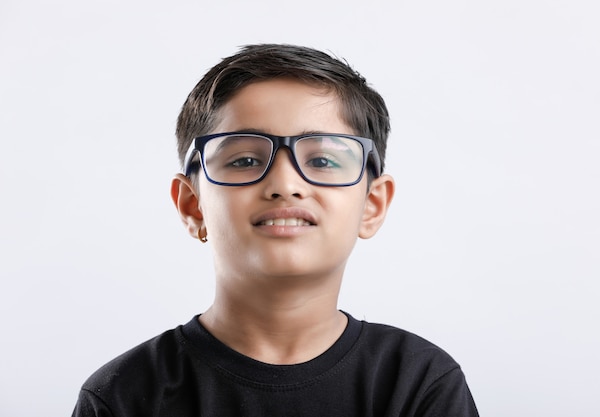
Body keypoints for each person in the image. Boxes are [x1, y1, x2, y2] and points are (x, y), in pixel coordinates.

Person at [72, 43, 479, 416]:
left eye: (322, 161)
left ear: (371, 205)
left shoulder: (419, 383)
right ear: (192, 204)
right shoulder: (123, 396)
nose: (285, 184)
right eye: (245, 160)